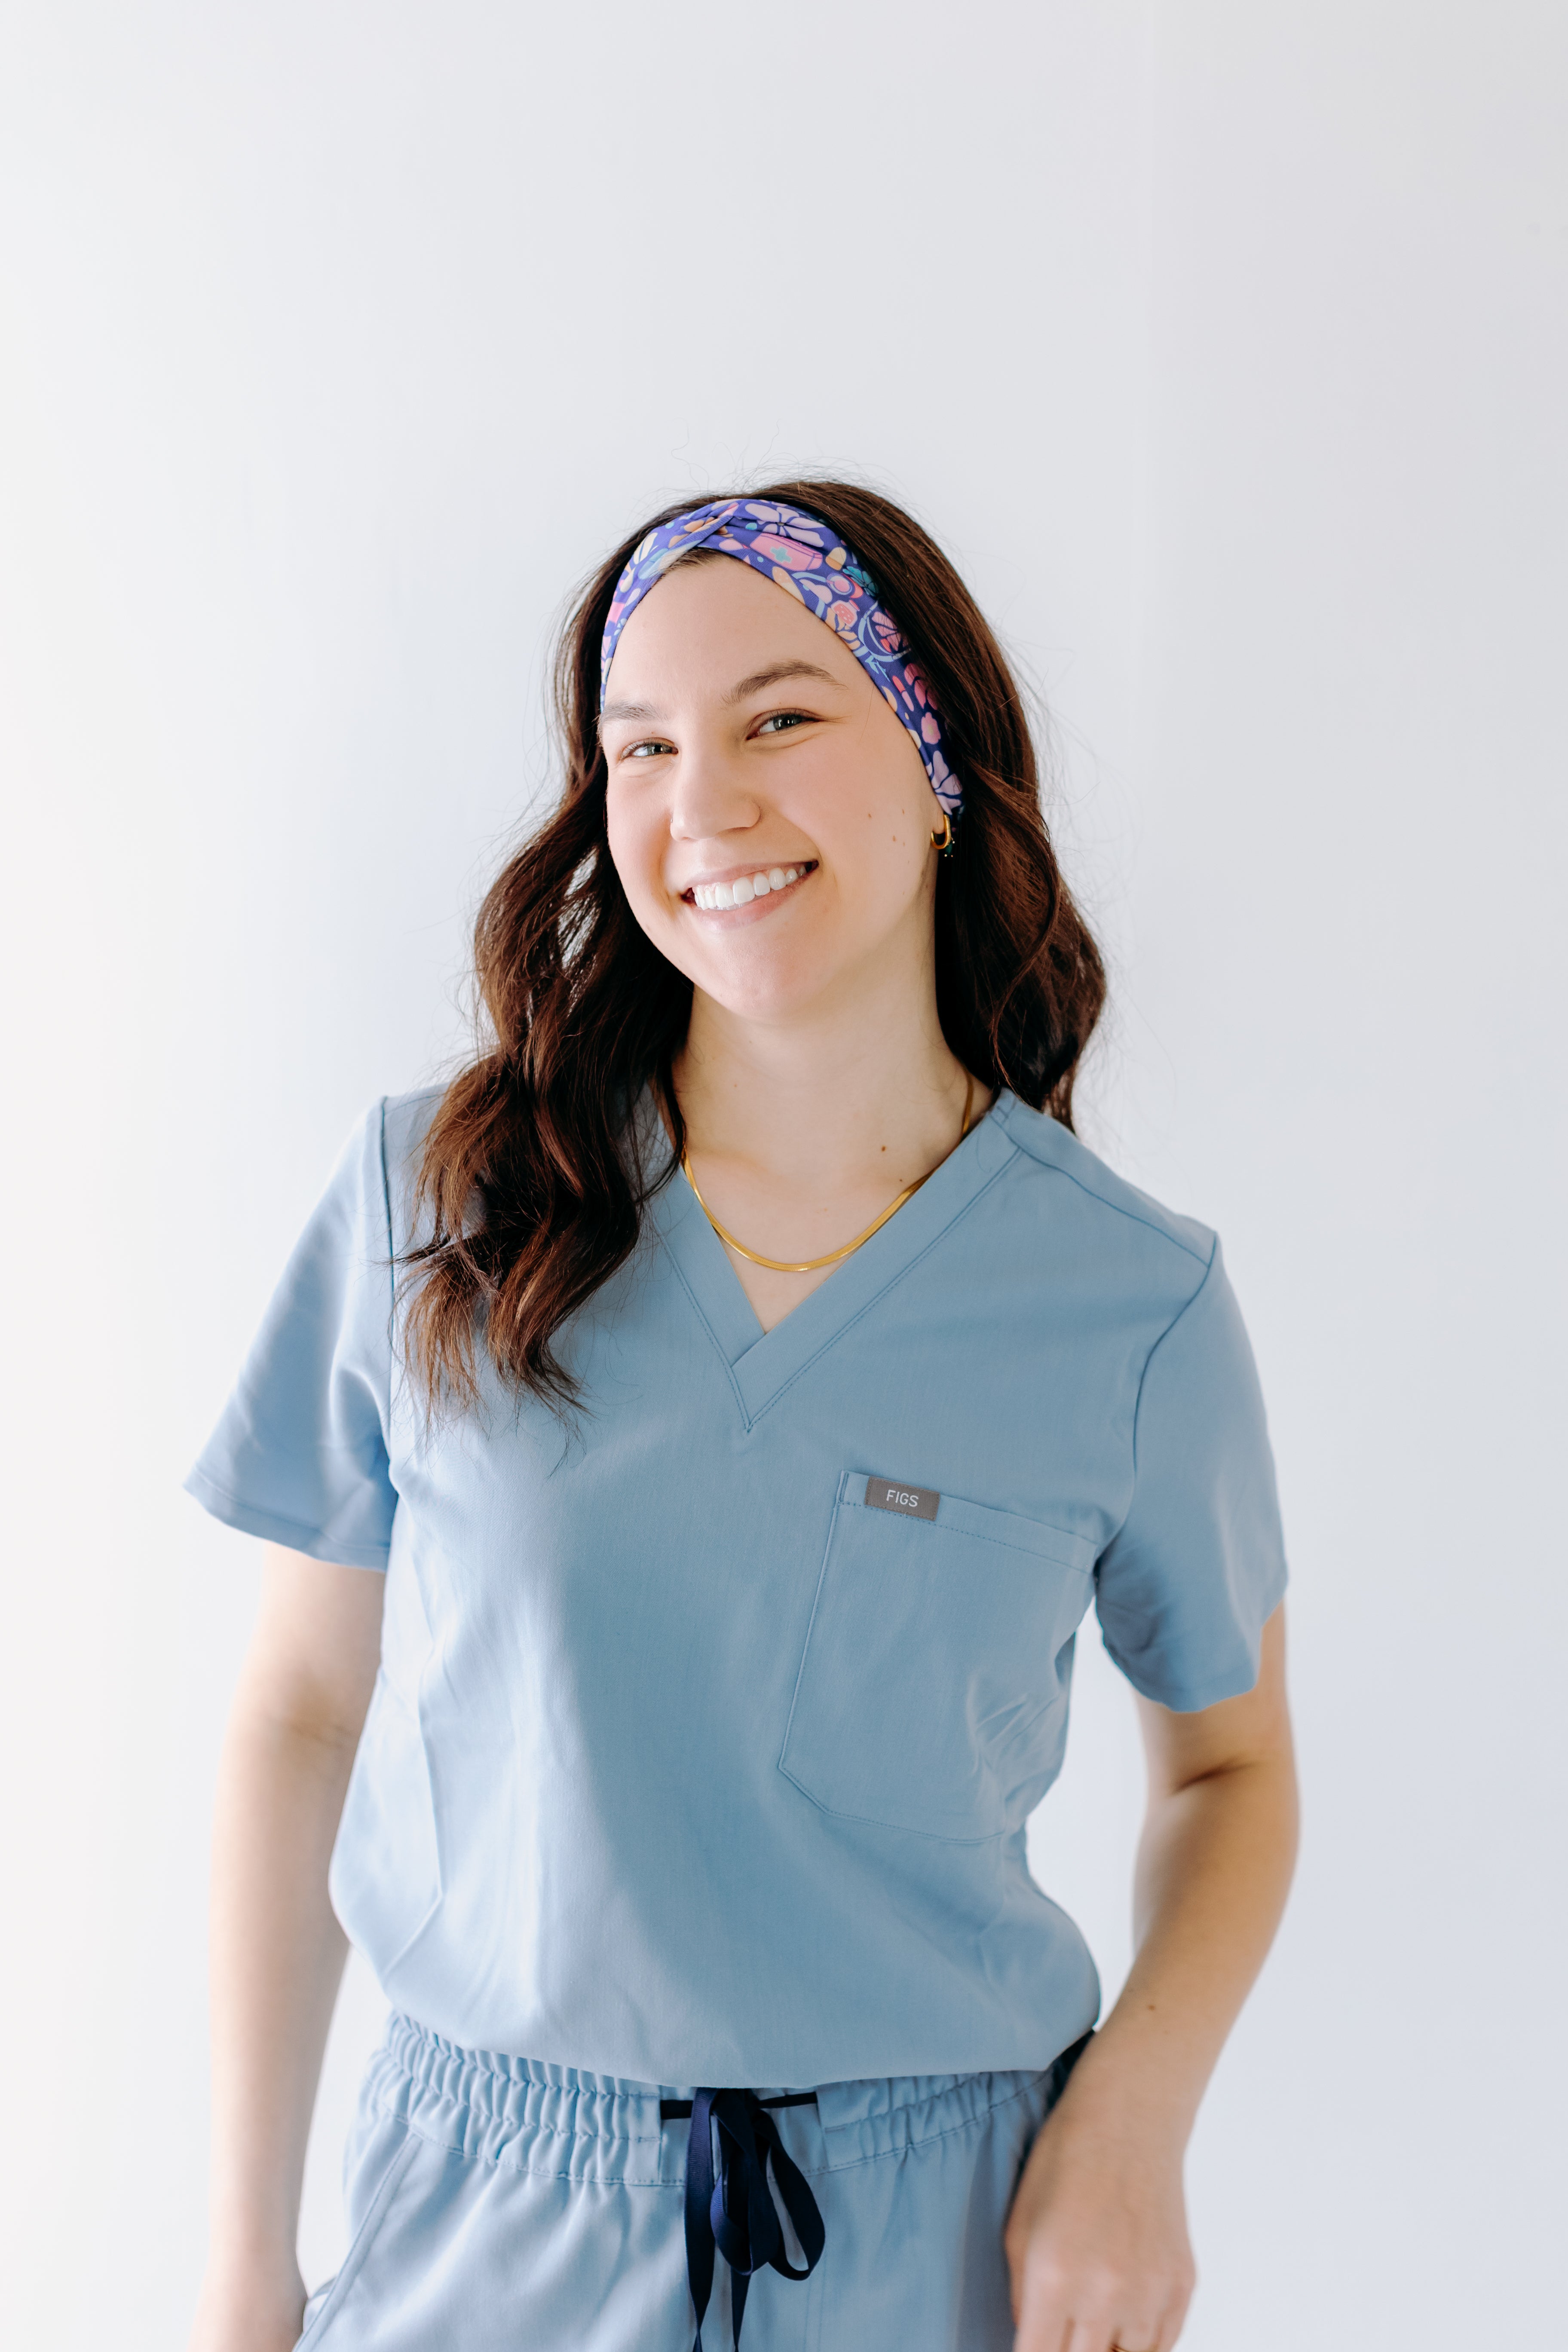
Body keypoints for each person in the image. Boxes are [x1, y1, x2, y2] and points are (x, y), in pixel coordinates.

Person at [184, 485, 1298, 2352]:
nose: (704, 807)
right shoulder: (432, 1202)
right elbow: (298, 1715)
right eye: (644, 750)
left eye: (782, 717)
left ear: (937, 757)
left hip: (944, 2245)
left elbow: (1230, 1774)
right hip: (484, 2226)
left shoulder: (1132, 1303)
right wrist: (238, 2254)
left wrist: (1136, 2121)